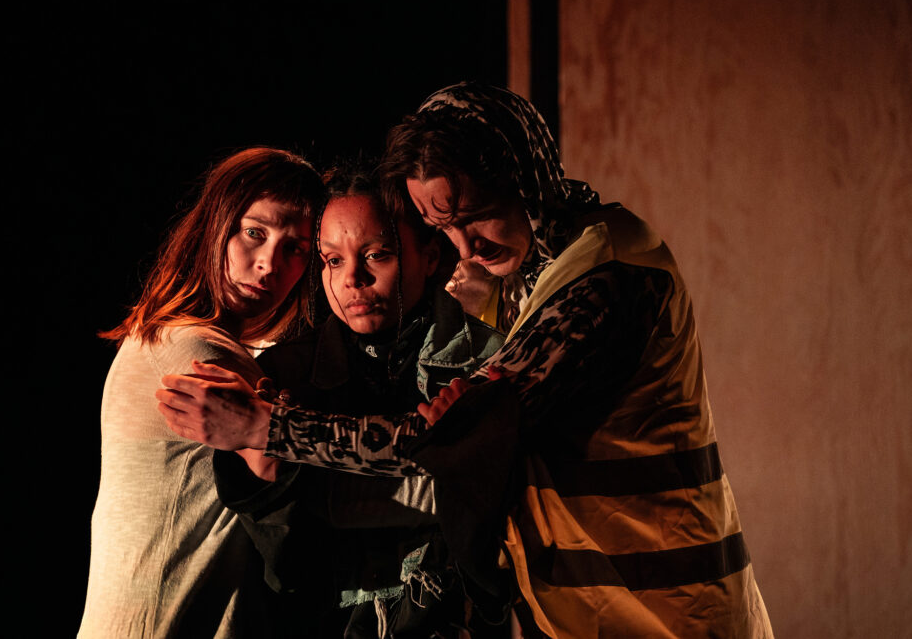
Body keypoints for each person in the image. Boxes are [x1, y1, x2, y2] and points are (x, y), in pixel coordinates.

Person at [158, 83, 774, 638]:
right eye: (443, 228)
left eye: (474, 217)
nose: (466, 248)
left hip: (665, 606)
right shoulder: (538, 276)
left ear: (525, 181)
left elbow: (443, 445)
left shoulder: (604, 278)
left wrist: (271, 429)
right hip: (596, 603)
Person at [158, 162, 507, 638]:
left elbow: (500, 524)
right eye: (332, 261)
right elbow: (287, 571)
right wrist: (268, 466)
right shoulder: (284, 374)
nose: (352, 279)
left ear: (429, 255)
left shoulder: (487, 359)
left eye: (377, 255)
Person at [79, 147, 325, 639]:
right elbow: (325, 492)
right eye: (254, 233)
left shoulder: (161, 336)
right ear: (216, 224)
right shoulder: (197, 351)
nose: (269, 264)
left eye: (296, 248)